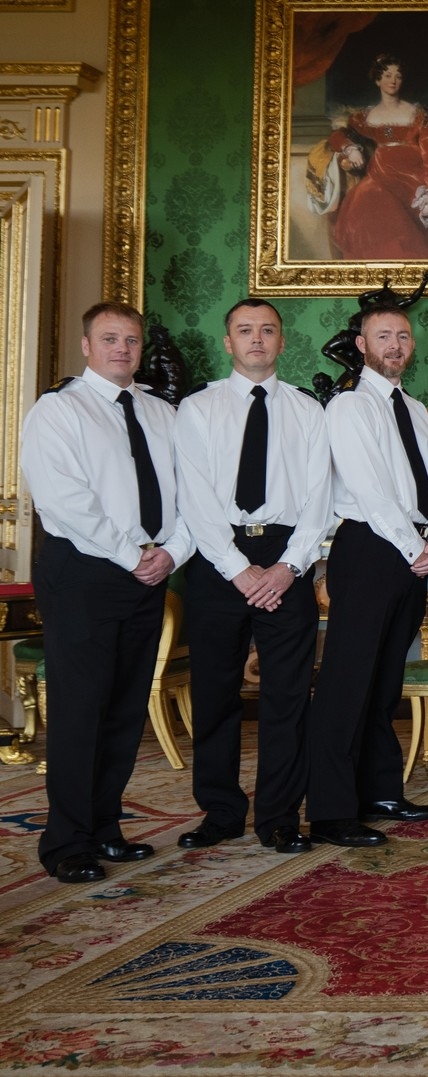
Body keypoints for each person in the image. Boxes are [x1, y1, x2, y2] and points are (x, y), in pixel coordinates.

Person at [22, 302, 196, 883]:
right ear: (86, 345)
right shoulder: (59, 409)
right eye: (110, 339)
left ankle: (105, 827)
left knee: (125, 709)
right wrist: (134, 555)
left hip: (150, 570)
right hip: (85, 573)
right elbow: (64, 501)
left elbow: (193, 492)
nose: (122, 349)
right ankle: (66, 840)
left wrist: (172, 551)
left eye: (131, 340)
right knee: (80, 709)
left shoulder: (159, 411)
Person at [173, 298, 331, 857]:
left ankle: (280, 816)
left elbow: (320, 499)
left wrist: (288, 567)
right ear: (228, 342)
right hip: (219, 562)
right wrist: (240, 572)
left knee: (288, 697)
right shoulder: (196, 409)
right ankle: (219, 811)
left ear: (282, 342)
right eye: (245, 330)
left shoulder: (308, 411)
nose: (257, 339)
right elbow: (193, 499)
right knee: (215, 693)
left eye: (267, 330)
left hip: (288, 557)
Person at [307, 304, 428, 847]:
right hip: (370, 547)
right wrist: (416, 545)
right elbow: (368, 488)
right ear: (362, 346)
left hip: (413, 548)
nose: (395, 345)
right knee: (348, 682)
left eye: (403, 336)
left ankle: (380, 790)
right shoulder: (348, 405)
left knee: (386, 679)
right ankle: (331, 810)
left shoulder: (412, 407)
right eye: (382, 336)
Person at [321, 53, 428, 261]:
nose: (393, 81)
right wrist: (350, 148)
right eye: (387, 75)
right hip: (381, 175)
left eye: (398, 76)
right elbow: (337, 136)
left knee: (419, 224)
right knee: (367, 200)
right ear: (377, 80)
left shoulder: (421, 115)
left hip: (416, 176)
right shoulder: (365, 117)